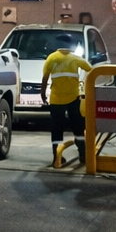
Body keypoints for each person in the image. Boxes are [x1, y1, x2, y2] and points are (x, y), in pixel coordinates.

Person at [41, 33, 91, 163]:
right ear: (71, 46)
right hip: (73, 98)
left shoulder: (51, 58)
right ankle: (83, 155)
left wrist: (42, 93)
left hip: (56, 99)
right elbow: (90, 69)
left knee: (56, 128)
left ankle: (56, 156)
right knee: (78, 127)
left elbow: (45, 78)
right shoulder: (75, 58)